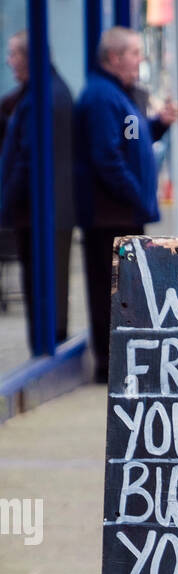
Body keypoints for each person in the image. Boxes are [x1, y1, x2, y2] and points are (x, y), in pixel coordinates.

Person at [74, 26, 178, 382]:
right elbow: (107, 157)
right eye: (135, 53)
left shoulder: (121, 95)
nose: (140, 60)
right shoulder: (102, 97)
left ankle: (119, 360)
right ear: (114, 58)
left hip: (124, 212)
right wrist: (137, 194)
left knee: (123, 289)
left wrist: (158, 125)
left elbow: (132, 135)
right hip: (109, 215)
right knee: (109, 289)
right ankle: (108, 364)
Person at [0, 30, 74, 352]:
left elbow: (27, 161)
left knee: (42, 287)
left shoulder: (42, 97)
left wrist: (4, 206)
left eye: (13, 54)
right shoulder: (42, 93)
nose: (8, 60)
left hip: (39, 211)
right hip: (47, 210)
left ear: (29, 58)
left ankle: (46, 348)